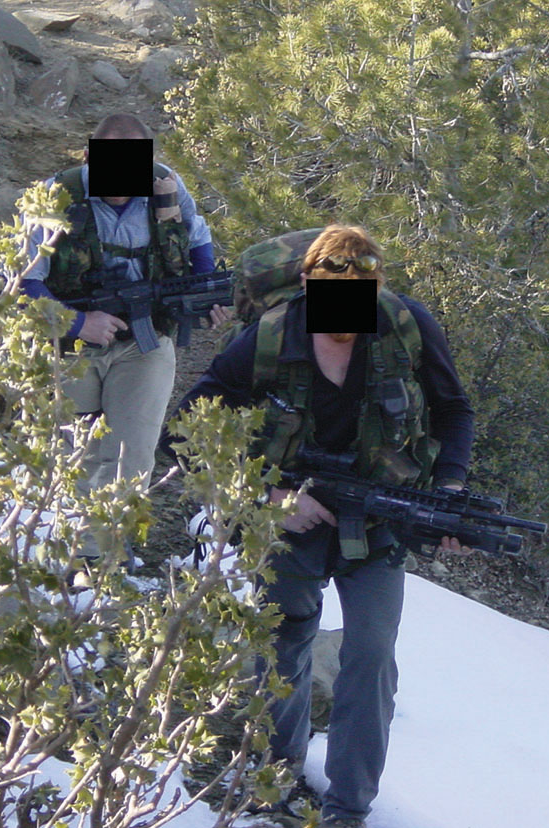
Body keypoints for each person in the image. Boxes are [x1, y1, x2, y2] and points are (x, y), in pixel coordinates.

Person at [160, 224, 475, 828]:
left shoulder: (405, 325)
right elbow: (186, 430)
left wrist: (450, 492)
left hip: (379, 520)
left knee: (372, 656)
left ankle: (348, 808)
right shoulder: (270, 337)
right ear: (306, 285)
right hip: (290, 523)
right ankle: (271, 784)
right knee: (282, 646)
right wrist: (268, 494)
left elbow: (453, 409)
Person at [19, 112, 227, 502]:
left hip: (144, 342)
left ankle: (112, 550)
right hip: (68, 346)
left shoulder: (166, 187)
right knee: (71, 457)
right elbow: (22, 282)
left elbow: (197, 237)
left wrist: (206, 292)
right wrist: (78, 323)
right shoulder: (53, 197)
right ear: (88, 158)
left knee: (131, 458)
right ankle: (66, 550)